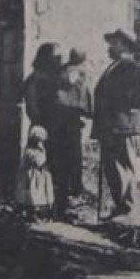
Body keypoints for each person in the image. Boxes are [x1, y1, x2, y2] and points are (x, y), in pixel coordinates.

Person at [92, 29, 140, 220]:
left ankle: (127, 208)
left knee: (123, 165)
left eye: (114, 44)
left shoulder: (132, 67)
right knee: (112, 167)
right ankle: (120, 206)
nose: (110, 48)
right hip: (109, 125)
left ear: (124, 45)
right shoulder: (115, 66)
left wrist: (128, 111)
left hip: (122, 125)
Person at [21, 43, 70, 220]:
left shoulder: (53, 79)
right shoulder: (35, 79)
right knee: (39, 170)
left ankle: (56, 207)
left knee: (57, 169)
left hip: (56, 131)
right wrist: (41, 125)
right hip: (42, 130)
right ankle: (38, 207)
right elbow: (32, 107)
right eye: (56, 58)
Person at [56, 49, 92, 204]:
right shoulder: (74, 73)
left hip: (65, 119)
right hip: (70, 120)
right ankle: (72, 192)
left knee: (65, 158)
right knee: (72, 157)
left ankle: (68, 191)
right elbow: (79, 94)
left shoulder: (63, 71)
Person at [14, 125, 54, 219]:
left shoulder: (37, 151)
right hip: (30, 176)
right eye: (38, 140)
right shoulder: (30, 151)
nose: (40, 143)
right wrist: (42, 151)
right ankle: (31, 212)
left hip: (38, 175)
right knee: (32, 193)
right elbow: (39, 161)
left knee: (39, 193)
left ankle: (37, 212)